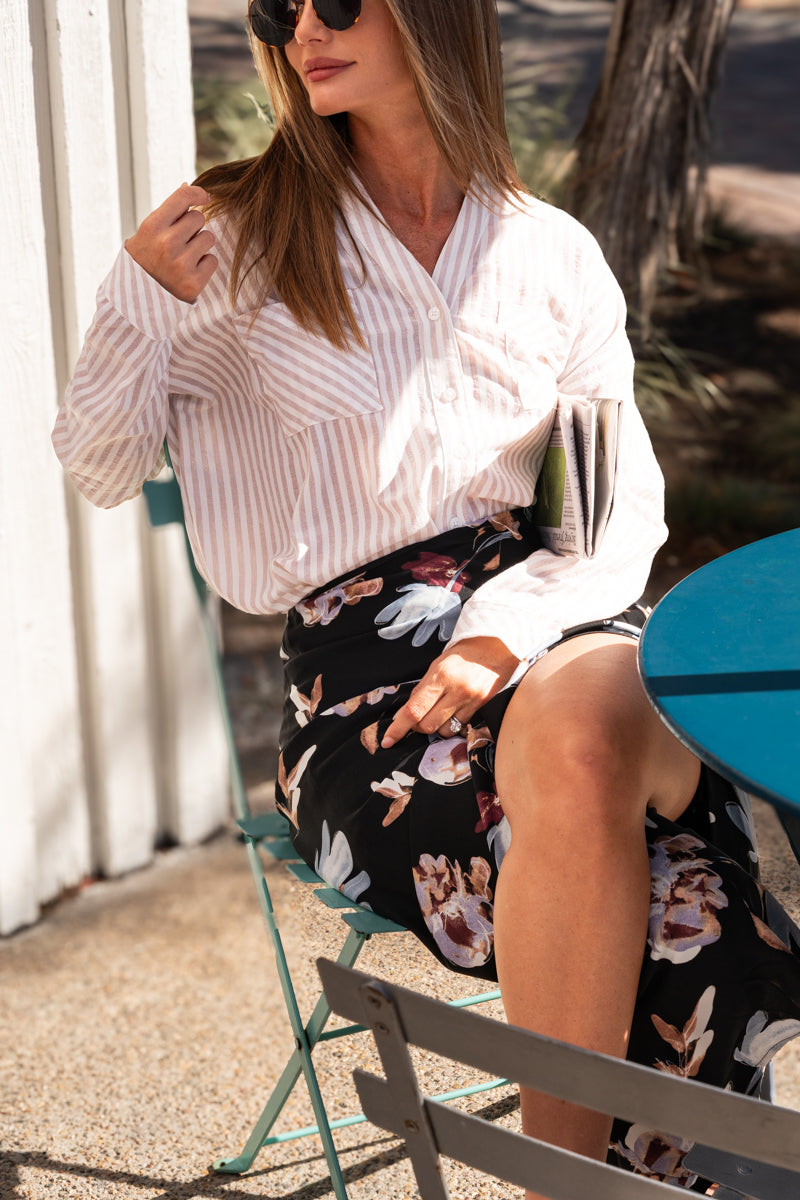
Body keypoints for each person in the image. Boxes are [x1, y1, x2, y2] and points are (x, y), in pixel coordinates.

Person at [53, 1, 800, 1194]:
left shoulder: (547, 253)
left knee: (589, 716)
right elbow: (97, 466)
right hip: (367, 703)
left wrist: (499, 634)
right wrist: (137, 304)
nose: (304, 26)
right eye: (277, 4)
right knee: (686, 908)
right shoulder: (232, 236)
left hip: (548, 615)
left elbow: (608, 515)